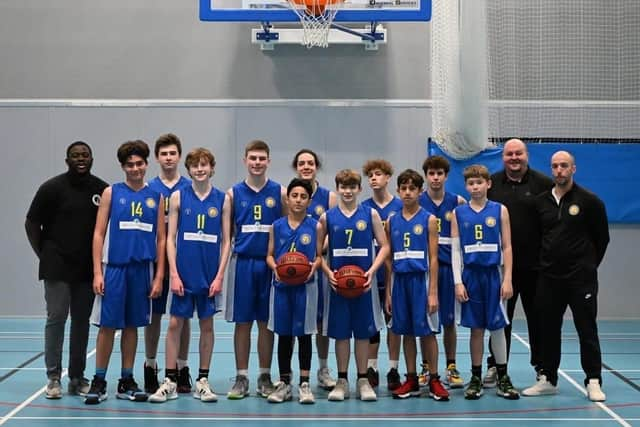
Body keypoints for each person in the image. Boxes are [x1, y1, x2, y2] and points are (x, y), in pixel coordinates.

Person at [523, 151, 609, 402]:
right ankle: (548, 378)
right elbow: (537, 238)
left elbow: (601, 238)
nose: (559, 170)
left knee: (586, 329)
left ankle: (593, 380)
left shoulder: (590, 201)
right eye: (555, 166)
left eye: (564, 166)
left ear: (573, 169)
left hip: (581, 279)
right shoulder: (540, 202)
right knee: (547, 329)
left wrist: (588, 266)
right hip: (549, 278)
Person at [85, 140, 166, 404]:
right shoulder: (111, 192)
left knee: (132, 326)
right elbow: (98, 234)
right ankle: (99, 379)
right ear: (123, 167)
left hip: (142, 269)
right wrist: (97, 272)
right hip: (115, 268)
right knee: (108, 326)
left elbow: (162, 240)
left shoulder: (156, 197)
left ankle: (126, 379)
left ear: (146, 164)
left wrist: (159, 275)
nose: (135, 168)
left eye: (139, 163)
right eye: (130, 164)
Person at [25, 141, 108, 399]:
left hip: (86, 269)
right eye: (75, 155)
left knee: (81, 322)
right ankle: (53, 377)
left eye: (85, 155)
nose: (80, 159)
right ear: (67, 160)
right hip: (56, 265)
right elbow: (31, 224)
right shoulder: (51, 188)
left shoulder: (102, 190)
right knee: (57, 318)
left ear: (92, 158)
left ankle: (76, 377)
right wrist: (45, 255)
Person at [148, 148, 232, 403]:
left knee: (207, 325)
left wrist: (219, 277)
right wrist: (173, 273)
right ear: (189, 170)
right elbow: (170, 239)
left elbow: (227, 241)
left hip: (209, 275)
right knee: (174, 324)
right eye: (195, 165)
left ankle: (202, 380)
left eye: (204, 164)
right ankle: (170, 379)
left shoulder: (223, 199)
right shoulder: (177, 197)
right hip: (183, 273)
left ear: (212, 168)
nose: (199, 169)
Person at [483, 138, 553, 388]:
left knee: (539, 318)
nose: (514, 158)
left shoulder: (544, 184)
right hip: (501, 269)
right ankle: (495, 365)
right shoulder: (491, 184)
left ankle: (542, 367)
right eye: (509, 154)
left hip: (536, 268)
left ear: (527, 155)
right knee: (500, 319)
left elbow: (552, 225)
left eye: (518, 153)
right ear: (503, 157)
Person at [318, 169, 389, 402]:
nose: (347, 191)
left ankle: (362, 380)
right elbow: (317, 253)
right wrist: (328, 272)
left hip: (364, 284)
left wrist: (372, 271)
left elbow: (385, 246)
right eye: (343, 187)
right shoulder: (327, 217)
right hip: (338, 284)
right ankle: (341, 381)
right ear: (337, 189)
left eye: (352, 187)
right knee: (340, 334)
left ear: (359, 189)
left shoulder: (370, 215)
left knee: (362, 333)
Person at [224, 140, 287, 399]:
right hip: (243, 264)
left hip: (269, 265)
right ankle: (241, 376)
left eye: (262, 158)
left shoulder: (280, 192)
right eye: (253, 158)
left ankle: (264, 375)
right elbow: (227, 236)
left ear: (269, 161)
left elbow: (285, 230)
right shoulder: (233, 194)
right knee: (242, 323)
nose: (257, 162)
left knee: (266, 323)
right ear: (245, 161)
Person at [451, 164, 520, 400]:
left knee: (498, 327)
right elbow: (455, 251)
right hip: (471, 276)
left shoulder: (500, 210)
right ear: (466, 186)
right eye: (471, 183)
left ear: (488, 184)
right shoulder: (459, 213)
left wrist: (508, 277)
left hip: (494, 274)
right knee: (476, 329)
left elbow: (508, 246)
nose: (475, 187)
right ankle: (476, 377)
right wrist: (457, 281)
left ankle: (503, 376)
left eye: (479, 182)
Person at [386, 169, 449, 401]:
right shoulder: (392, 220)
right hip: (400, 281)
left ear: (420, 191)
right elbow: (389, 258)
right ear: (398, 191)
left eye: (412, 188)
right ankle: (411, 378)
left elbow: (434, 258)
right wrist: (389, 293)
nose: (407, 192)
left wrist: (433, 292)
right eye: (403, 188)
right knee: (406, 332)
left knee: (428, 332)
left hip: (421, 281)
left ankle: (434, 379)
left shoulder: (429, 219)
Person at [265, 178, 323, 404]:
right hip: (281, 287)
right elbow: (269, 255)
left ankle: (305, 384)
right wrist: (275, 268)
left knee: (304, 334)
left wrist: (313, 267)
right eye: (294, 196)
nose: (298, 200)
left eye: (303, 197)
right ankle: (284, 383)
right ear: (287, 198)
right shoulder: (277, 225)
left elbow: (319, 256)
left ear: (309, 201)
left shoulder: (315, 226)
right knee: (284, 334)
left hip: (306, 287)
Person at [145, 133, 193, 394]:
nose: (168, 158)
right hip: (154, 263)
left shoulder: (189, 188)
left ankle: (181, 368)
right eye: (163, 154)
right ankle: (151, 366)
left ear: (179, 156)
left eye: (173, 153)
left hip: (182, 263)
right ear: (157, 158)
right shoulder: (150, 189)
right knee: (153, 316)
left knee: (182, 318)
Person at [292, 149, 338, 390]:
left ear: (316, 166)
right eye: (302, 163)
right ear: (296, 167)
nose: (306, 166)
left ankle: (322, 368)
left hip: (318, 265)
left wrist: (316, 252)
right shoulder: (289, 194)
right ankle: (292, 374)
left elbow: (332, 230)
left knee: (320, 321)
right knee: (295, 320)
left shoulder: (328, 197)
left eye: (310, 163)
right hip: (293, 267)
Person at [419, 155, 466, 389]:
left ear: (446, 176)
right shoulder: (417, 201)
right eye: (431, 173)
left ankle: (451, 365)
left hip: (448, 269)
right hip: (424, 271)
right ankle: (426, 366)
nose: (435, 177)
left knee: (449, 321)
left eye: (440, 173)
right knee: (425, 322)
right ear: (426, 176)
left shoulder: (458, 202)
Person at [360, 159, 403, 390]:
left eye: (378, 174)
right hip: (371, 273)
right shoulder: (364, 209)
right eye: (370, 175)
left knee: (394, 323)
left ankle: (394, 369)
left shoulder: (399, 207)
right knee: (372, 326)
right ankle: (372, 367)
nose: (374, 178)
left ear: (388, 177)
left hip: (396, 274)